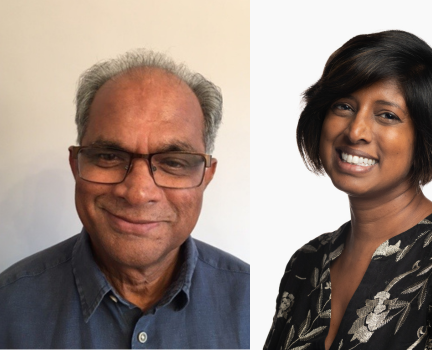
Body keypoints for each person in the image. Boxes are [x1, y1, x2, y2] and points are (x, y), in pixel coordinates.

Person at [264, 30, 432, 350]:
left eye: (387, 115)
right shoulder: (306, 262)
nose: (356, 131)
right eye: (344, 106)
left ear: (426, 136)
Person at [0, 50, 250, 349]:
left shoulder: (260, 302)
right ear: (76, 166)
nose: (138, 193)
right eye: (109, 156)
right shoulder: (8, 306)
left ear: (206, 177)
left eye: (174, 162)